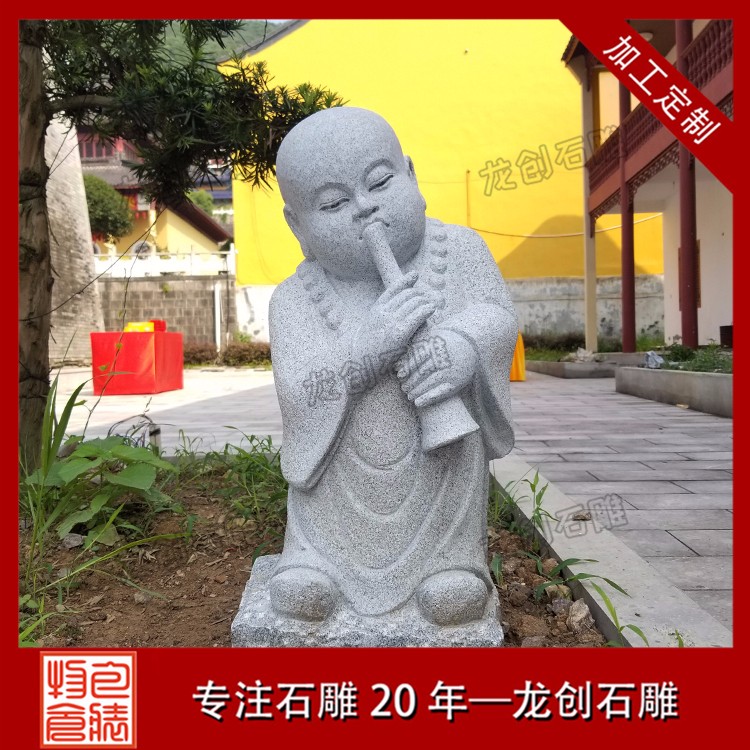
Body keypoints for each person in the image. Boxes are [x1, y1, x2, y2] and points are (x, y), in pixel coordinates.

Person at [268, 107, 517, 628]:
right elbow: (299, 391)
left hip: (442, 462)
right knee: (309, 563)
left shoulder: (459, 249)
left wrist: (461, 349)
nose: (365, 207)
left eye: (380, 182)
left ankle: (452, 561)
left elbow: (496, 317)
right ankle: (315, 562)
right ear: (297, 226)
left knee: (452, 473)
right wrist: (365, 351)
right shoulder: (294, 298)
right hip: (340, 485)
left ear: (412, 175)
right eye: (333, 203)